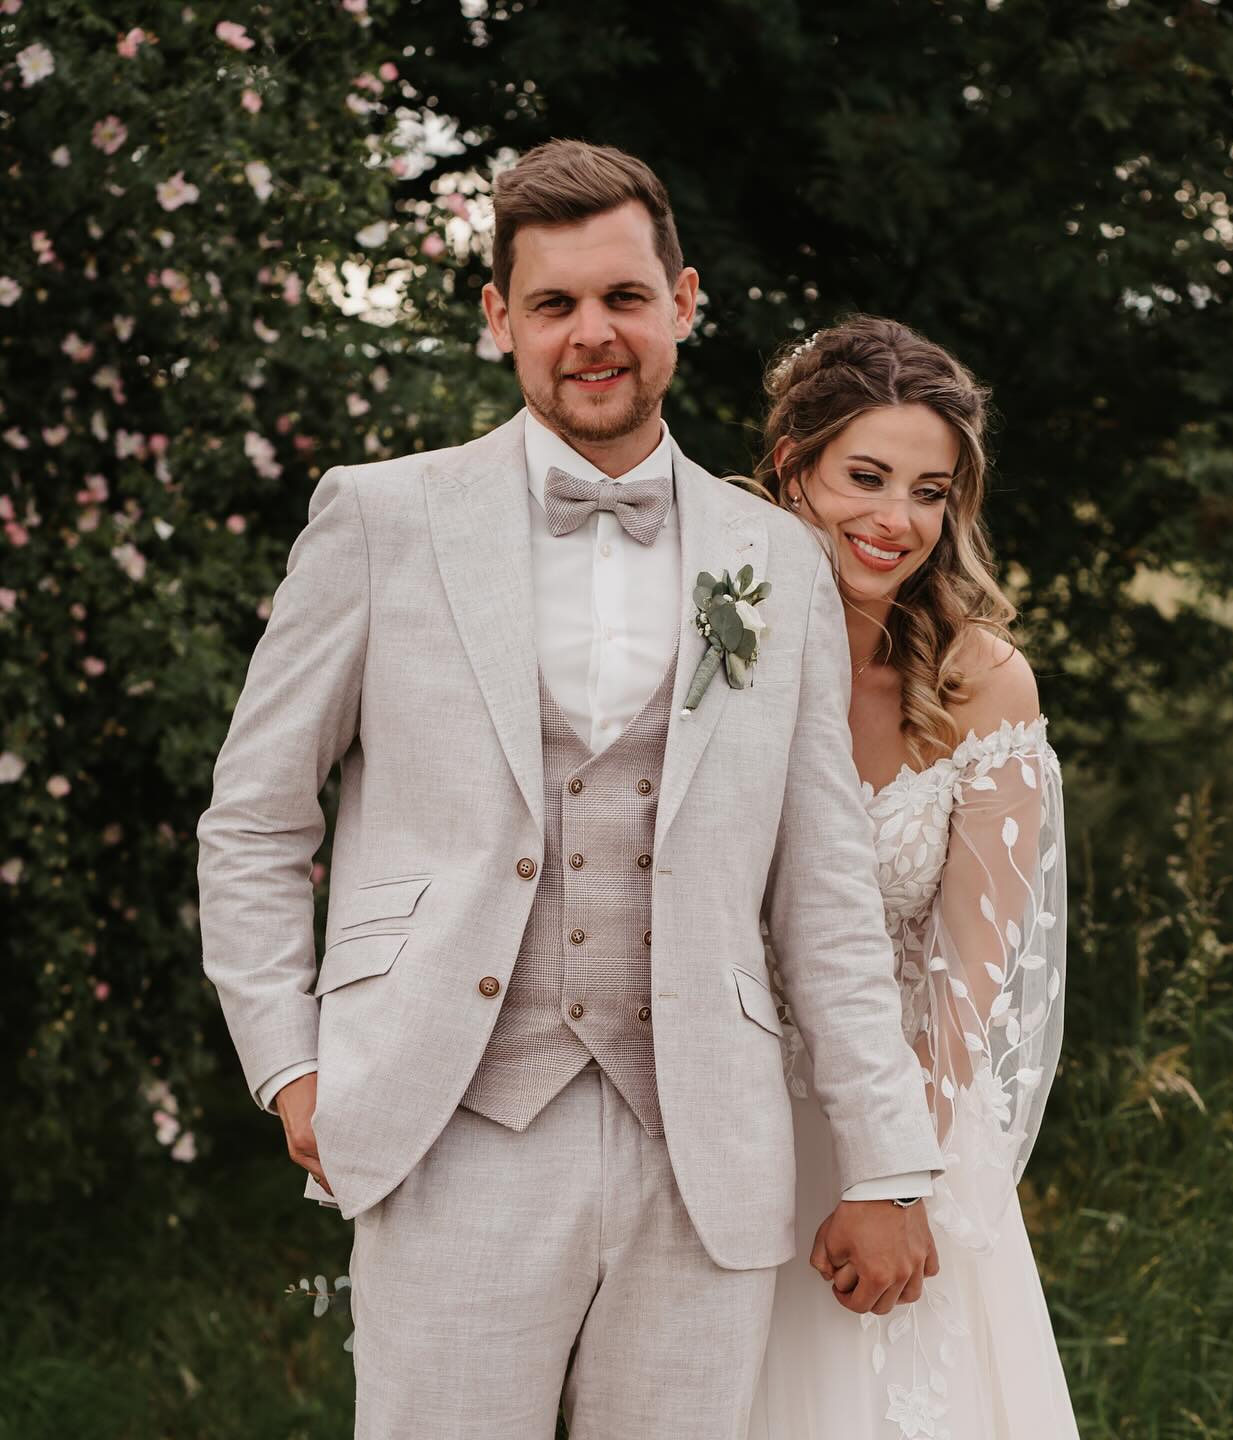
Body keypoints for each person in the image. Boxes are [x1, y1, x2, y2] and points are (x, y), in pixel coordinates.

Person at [195, 141, 945, 1439]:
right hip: (447, 1123)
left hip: (702, 1138)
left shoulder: (776, 559)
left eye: (624, 298)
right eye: (553, 303)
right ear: (499, 319)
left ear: (683, 303)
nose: (591, 334)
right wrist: (290, 1066)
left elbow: (821, 880)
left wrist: (883, 1162)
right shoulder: (381, 519)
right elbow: (256, 819)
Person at [744, 316, 1079, 1439]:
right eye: (866, 477)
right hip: (717, 1121)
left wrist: (893, 1176)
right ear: (793, 468)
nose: (896, 521)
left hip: (899, 1118)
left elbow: (971, 980)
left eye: (930, 491)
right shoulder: (707, 650)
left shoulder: (983, 684)